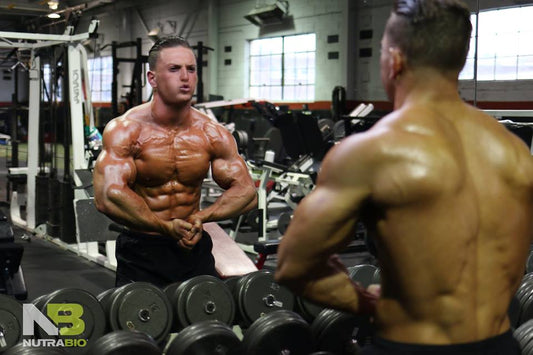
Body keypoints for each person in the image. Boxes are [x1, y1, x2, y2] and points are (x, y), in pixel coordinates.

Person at [275, 0, 533, 354]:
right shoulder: (516, 152)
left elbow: (293, 266)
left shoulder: (370, 152)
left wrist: (369, 302)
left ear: (394, 60)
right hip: (500, 345)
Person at [93, 36, 257, 288]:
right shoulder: (126, 130)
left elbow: (247, 193)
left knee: (211, 325)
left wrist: (203, 217)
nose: (185, 77)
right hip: (142, 252)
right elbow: (108, 197)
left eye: (191, 69)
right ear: (152, 78)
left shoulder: (212, 132)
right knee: (140, 325)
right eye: (174, 69)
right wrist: (164, 227)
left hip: (194, 246)